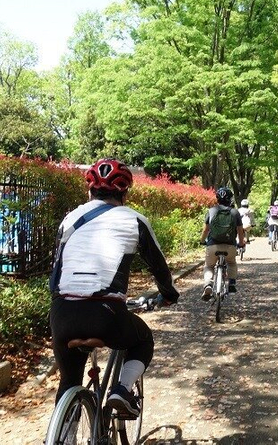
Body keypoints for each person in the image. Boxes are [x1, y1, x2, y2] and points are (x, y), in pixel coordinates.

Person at [49, 158, 180, 417]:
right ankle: (121, 389)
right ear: (125, 192)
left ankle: (62, 431)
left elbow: (55, 272)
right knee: (143, 340)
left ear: (89, 191)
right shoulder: (134, 220)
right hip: (106, 314)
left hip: (62, 313)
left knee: (68, 381)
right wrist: (168, 295)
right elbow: (159, 267)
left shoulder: (69, 219)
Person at [200, 187, 245, 301]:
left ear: (217, 199)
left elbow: (206, 230)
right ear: (230, 199)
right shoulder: (235, 212)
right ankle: (232, 284)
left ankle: (208, 284)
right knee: (231, 263)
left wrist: (202, 241)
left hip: (213, 245)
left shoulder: (211, 211)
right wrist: (241, 243)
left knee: (209, 266)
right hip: (230, 246)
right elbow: (240, 231)